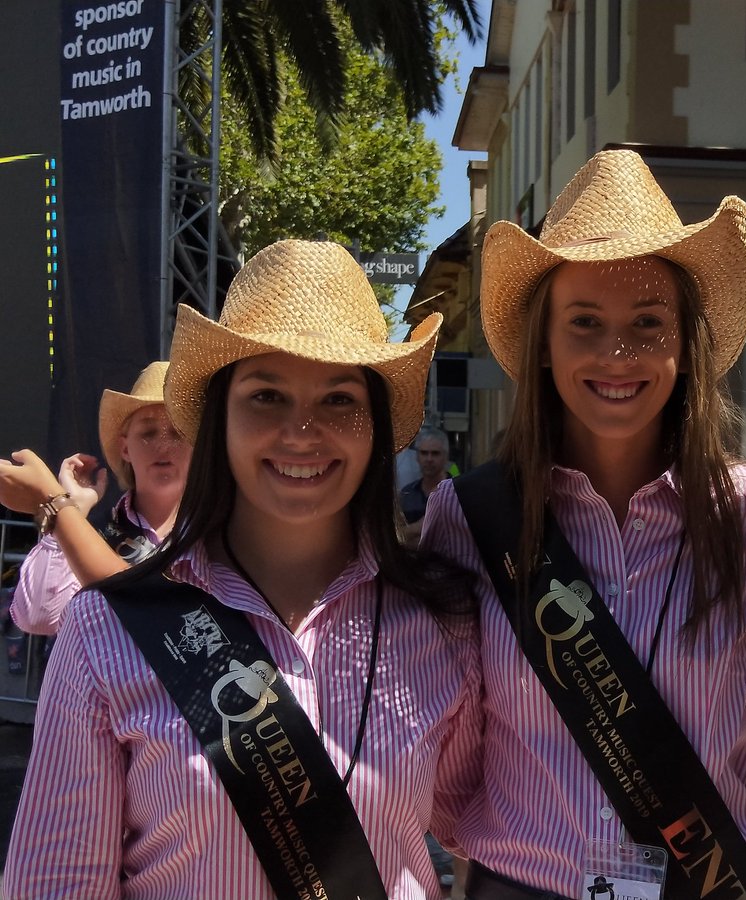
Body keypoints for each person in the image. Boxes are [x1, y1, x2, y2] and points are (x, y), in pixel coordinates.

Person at [3, 239, 482, 899]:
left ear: (376, 425)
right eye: (266, 396)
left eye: (340, 399)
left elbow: (484, 829)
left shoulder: (443, 626)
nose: (302, 431)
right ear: (218, 420)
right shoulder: (105, 633)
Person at [421, 149, 746, 900]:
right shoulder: (470, 517)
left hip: (703, 884)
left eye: (648, 322)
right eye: (585, 323)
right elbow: (452, 740)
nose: (618, 352)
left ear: (684, 345)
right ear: (543, 345)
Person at [0, 362, 190, 636]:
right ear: (125, 448)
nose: (162, 445)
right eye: (148, 433)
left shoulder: (221, 532)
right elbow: (38, 617)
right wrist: (70, 508)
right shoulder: (93, 531)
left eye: (176, 433)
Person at [399, 425, 452, 544]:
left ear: (446, 457)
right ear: (417, 456)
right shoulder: (407, 494)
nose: (429, 459)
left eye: (435, 453)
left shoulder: (457, 493)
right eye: (424, 453)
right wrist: (416, 528)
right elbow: (395, 536)